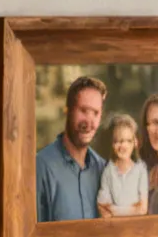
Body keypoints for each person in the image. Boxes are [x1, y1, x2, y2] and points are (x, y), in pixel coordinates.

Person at [35, 75, 106, 222]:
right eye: (83, 110)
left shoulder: (103, 169)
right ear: (67, 110)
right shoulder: (41, 166)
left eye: (95, 113)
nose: (89, 121)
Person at [96, 112, 148, 218]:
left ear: (135, 143)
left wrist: (114, 210)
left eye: (128, 141)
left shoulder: (141, 170)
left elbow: (142, 209)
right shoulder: (108, 172)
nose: (123, 146)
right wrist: (132, 209)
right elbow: (102, 206)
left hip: (137, 228)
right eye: (117, 141)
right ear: (112, 144)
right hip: (114, 229)